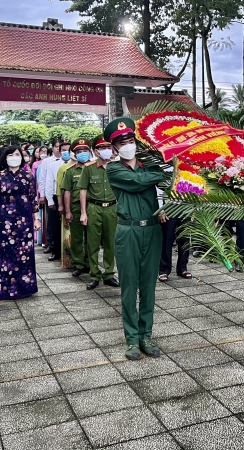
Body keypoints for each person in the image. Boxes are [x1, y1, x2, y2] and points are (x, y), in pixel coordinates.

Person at [104, 117, 169, 360]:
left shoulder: (148, 165)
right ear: (114, 148)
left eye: (130, 140)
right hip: (127, 231)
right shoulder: (114, 168)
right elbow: (138, 182)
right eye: (122, 142)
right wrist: (157, 174)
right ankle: (132, 340)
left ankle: (146, 336)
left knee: (148, 287)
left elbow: (163, 181)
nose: (127, 144)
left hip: (152, 230)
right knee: (129, 288)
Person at [0, 146, 40, 300]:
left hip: (25, 220)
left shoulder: (28, 176)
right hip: (4, 221)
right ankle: (7, 289)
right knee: (7, 254)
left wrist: (36, 219)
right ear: (5, 157)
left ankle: (25, 288)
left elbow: (33, 199)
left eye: (17, 154)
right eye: (10, 155)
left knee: (25, 253)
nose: (14, 157)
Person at [79, 135, 121, 289]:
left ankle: (109, 274)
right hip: (94, 208)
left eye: (108, 148)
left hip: (112, 208)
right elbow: (83, 190)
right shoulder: (88, 167)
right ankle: (95, 275)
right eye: (102, 148)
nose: (106, 151)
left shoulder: (117, 167)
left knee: (111, 242)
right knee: (93, 243)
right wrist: (83, 213)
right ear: (96, 152)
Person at [63, 138, 94, 278]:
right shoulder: (70, 171)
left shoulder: (96, 168)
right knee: (76, 238)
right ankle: (78, 264)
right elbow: (67, 192)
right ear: (74, 154)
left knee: (92, 237)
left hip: (93, 207)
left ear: (90, 152)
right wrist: (67, 211)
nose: (82, 153)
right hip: (75, 207)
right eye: (79, 151)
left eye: (85, 151)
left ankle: (90, 263)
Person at [43, 140, 71, 261]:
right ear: (59, 151)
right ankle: (55, 251)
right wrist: (50, 200)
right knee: (54, 226)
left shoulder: (74, 164)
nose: (66, 153)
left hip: (71, 197)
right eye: (64, 150)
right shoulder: (53, 165)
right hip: (56, 196)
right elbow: (49, 182)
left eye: (69, 150)